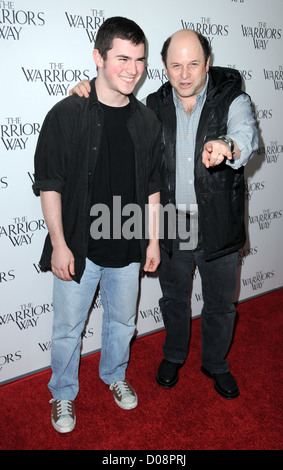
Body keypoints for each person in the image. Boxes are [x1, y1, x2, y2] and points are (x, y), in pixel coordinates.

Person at [70, 29, 258, 400]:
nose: (185, 74)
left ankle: (216, 362)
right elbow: (112, 111)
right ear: (164, 67)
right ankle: (173, 355)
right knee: (174, 299)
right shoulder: (152, 106)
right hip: (174, 222)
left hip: (219, 221)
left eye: (193, 64)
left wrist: (227, 145)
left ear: (207, 63)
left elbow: (246, 135)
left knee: (221, 303)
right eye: (176, 65)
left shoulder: (233, 99)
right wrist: (86, 92)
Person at [33, 16, 162, 434]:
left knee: (123, 323)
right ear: (98, 58)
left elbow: (154, 188)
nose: (132, 69)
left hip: (128, 245)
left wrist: (154, 242)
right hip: (78, 247)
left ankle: (114, 375)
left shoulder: (147, 121)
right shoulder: (67, 113)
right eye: (122, 58)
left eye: (139, 60)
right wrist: (59, 244)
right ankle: (63, 394)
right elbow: (49, 185)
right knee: (68, 328)